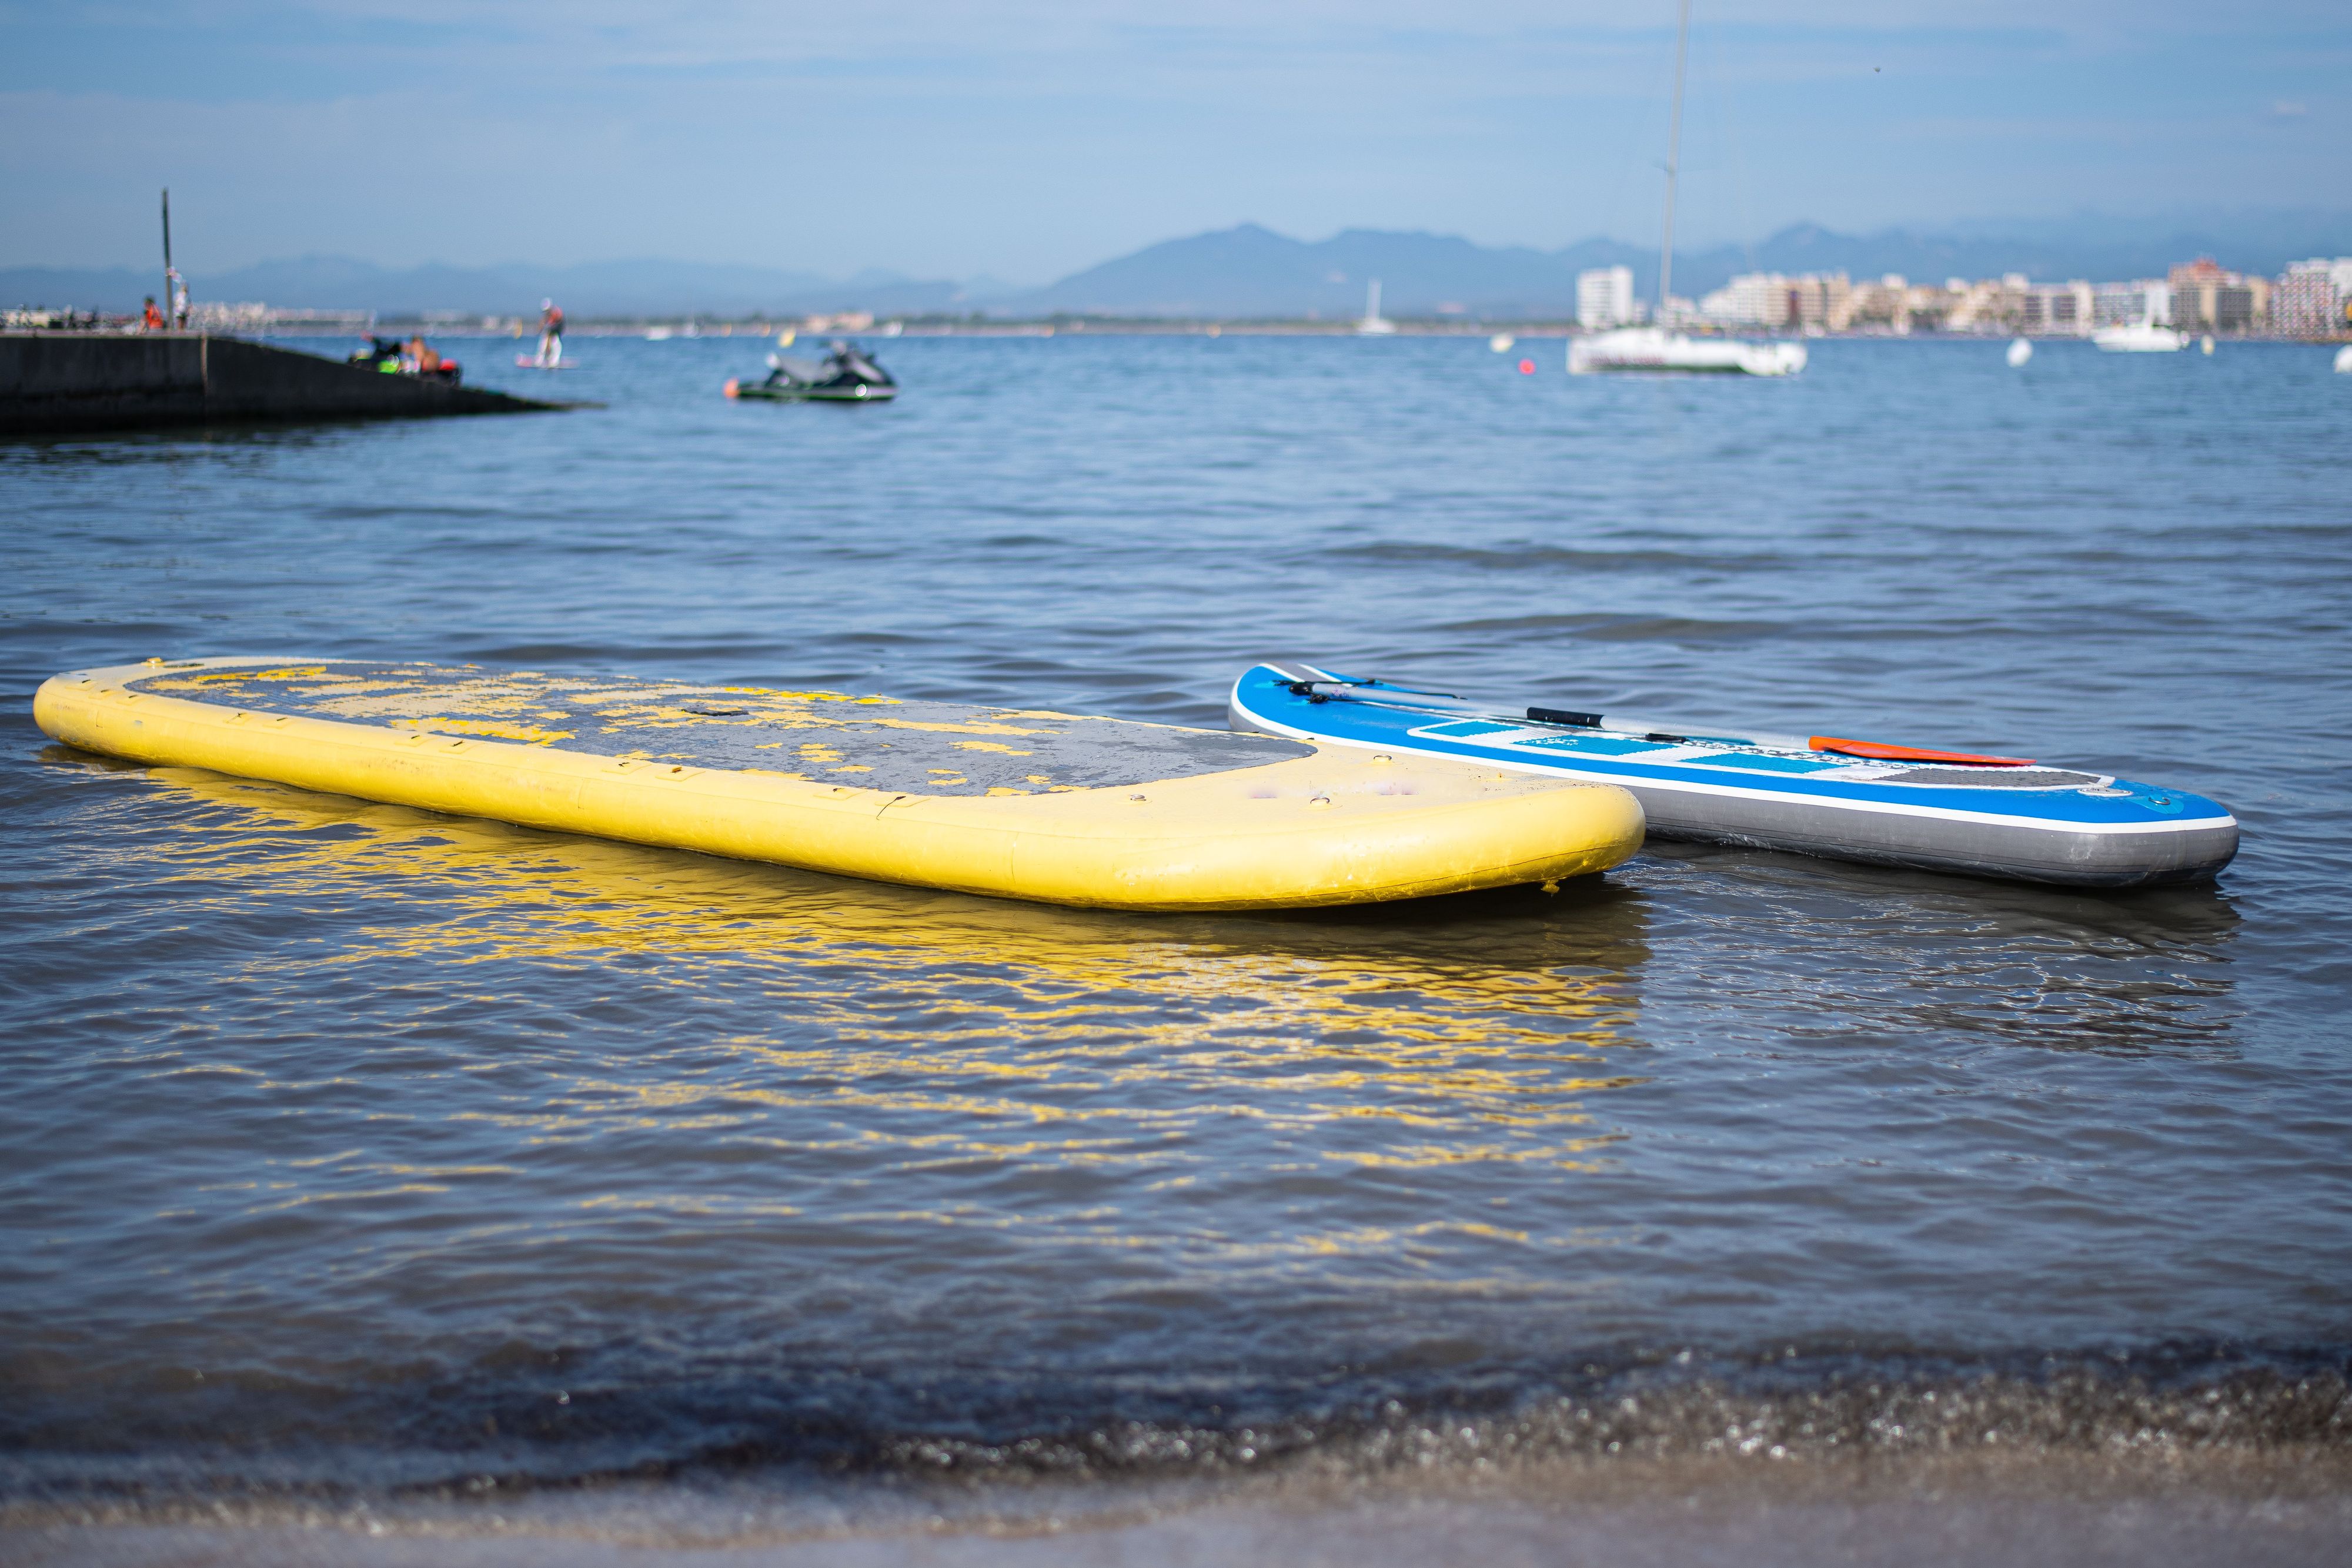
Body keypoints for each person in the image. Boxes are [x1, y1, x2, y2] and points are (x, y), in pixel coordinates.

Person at [536, 298, 564, 366]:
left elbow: (559, 325)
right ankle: (540, 361)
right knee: (543, 346)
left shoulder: (556, 313)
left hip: (554, 334)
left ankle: (553, 362)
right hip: (548, 334)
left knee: (556, 347)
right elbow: (543, 325)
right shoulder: (547, 315)